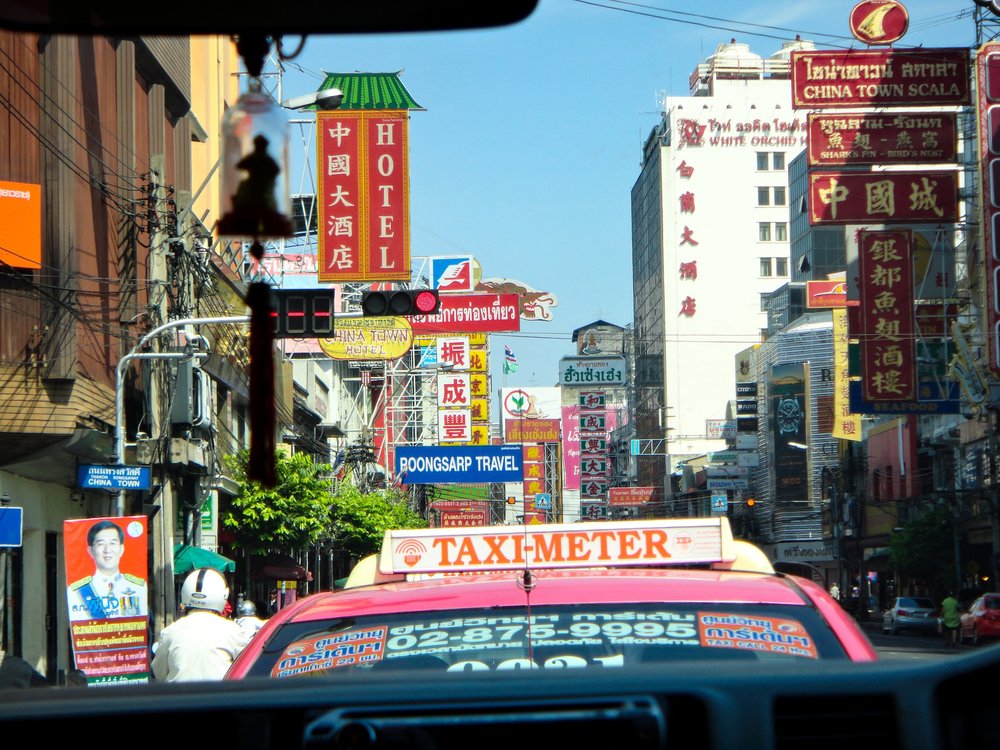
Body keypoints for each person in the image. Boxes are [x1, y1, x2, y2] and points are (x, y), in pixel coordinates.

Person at [151, 568, 250, 682]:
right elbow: (247, 668)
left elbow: (160, 673)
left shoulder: (170, 632)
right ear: (223, 595)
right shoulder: (233, 631)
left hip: (179, 698)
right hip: (221, 698)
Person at [68, 520, 147, 621]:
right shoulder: (76, 591)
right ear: (90, 550)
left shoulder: (138, 586)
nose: (107, 550)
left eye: (112, 543)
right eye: (101, 544)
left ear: (122, 549)